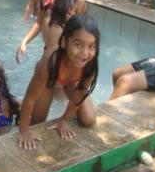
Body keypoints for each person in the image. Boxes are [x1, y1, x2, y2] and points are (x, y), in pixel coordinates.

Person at [18, 15, 100, 150]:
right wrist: (24, 131)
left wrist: (64, 120)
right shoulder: (50, 61)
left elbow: (80, 94)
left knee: (88, 120)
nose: (85, 53)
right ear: (65, 42)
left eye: (91, 46)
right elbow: (30, 98)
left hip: (69, 81)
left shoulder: (90, 65)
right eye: (78, 45)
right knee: (37, 122)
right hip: (49, 80)